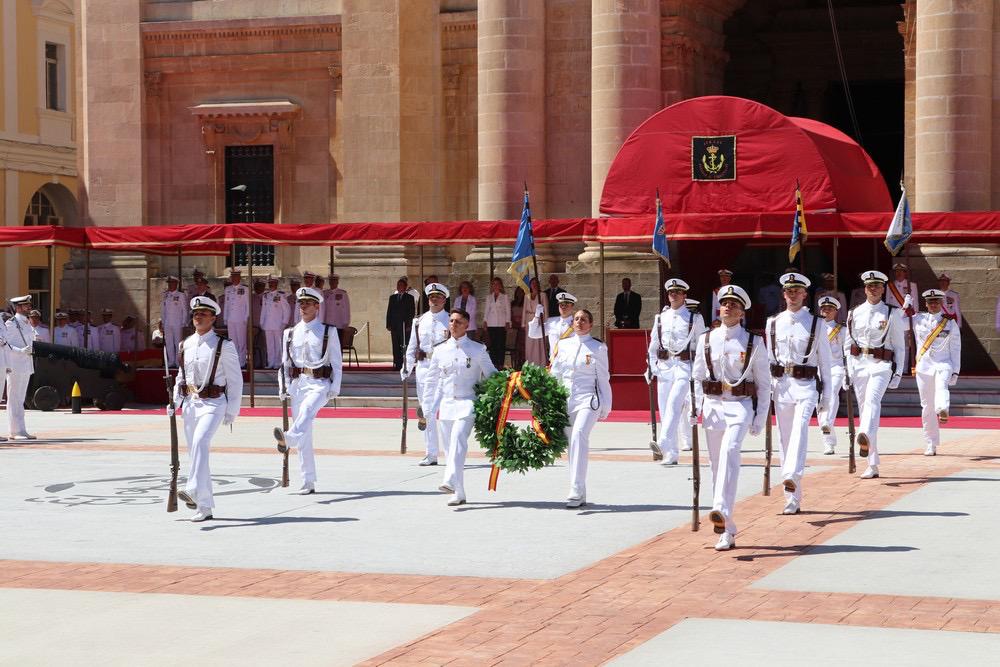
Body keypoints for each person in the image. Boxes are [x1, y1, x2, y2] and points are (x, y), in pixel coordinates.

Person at [692, 284, 770, 551]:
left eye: (734, 304)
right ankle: (727, 527)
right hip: (713, 406)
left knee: (730, 451)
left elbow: (764, 383)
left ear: (742, 312)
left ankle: (720, 508)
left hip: (739, 406)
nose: (727, 307)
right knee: (716, 465)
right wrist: (694, 407)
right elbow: (697, 377)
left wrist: (761, 417)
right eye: (724, 303)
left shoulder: (753, 342)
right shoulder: (706, 339)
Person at [171, 296, 242, 521]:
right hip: (191, 404)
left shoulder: (223, 345)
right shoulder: (186, 344)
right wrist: (175, 401)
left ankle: (192, 488)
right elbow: (181, 375)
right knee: (196, 452)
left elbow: (235, 379)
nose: (198, 317)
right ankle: (205, 506)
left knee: (201, 443)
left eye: (203, 313)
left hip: (214, 402)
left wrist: (232, 410)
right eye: (195, 314)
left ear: (213, 317)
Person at [765, 272, 832, 515]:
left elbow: (826, 362)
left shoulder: (817, 323)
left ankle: (791, 473)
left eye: (797, 291)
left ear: (805, 294)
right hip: (782, 385)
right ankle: (791, 498)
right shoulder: (772, 322)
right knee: (784, 438)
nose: (792, 294)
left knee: (800, 428)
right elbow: (770, 361)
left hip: (806, 385)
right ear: (784, 294)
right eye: (788, 291)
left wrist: (827, 398)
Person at [423, 307, 498, 506]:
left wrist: (507, 387)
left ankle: (448, 480)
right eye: (451, 321)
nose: (453, 325)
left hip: (468, 403)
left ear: (467, 325)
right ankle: (459, 492)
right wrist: (427, 406)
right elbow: (432, 380)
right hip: (446, 405)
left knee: (458, 440)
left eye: (458, 322)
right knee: (450, 451)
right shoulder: (439, 350)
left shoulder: (476, 349)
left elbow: (492, 374)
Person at [273, 287, 343, 495]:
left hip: (320, 382)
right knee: (305, 434)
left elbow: (337, 362)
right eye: (300, 303)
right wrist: (283, 386)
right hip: (298, 383)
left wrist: (335, 387)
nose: (303, 307)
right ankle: (307, 480)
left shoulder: (328, 331)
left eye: (307, 304)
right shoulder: (290, 333)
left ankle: (290, 438)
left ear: (317, 307)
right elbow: (285, 364)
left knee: (308, 410)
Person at [845, 270, 906, 480]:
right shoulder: (854, 312)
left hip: (882, 365)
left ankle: (863, 434)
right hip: (860, 365)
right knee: (866, 410)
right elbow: (848, 344)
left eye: (878, 286)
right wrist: (849, 370)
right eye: (870, 286)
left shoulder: (892, 313)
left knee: (872, 402)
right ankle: (872, 463)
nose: (874, 289)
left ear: (883, 289)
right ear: (865, 289)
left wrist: (898, 373)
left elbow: (900, 346)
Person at [549, 309, 612, 508]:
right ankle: (580, 491)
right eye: (576, 319)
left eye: (583, 320)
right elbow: (556, 374)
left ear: (590, 324)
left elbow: (603, 377)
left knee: (578, 435)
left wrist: (606, 405)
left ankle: (575, 488)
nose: (579, 322)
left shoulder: (598, 347)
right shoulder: (563, 344)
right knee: (571, 443)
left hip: (588, 399)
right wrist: (549, 400)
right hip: (567, 399)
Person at [647, 278, 706, 465]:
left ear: (684, 295)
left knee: (674, 403)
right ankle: (671, 454)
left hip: (684, 367)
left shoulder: (694, 318)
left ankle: (663, 442)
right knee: (665, 409)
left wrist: (699, 372)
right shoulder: (660, 318)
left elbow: (703, 346)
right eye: (671, 292)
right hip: (665, 367)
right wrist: (650, 366)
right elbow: (653, 345)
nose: (674, 295)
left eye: (678, 292)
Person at [403, 282, 452, 466]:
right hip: (423, 369)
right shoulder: (419, 321)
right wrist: (406, 366)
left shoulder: (450, 320)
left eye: (438, 297)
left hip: (442, 371)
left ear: (444, 299)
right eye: (431, 297)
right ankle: (430, 453)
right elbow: (412, 346)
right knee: (427, 412)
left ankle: (449, 451)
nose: (434, 299)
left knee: (438, 412)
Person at [913, 289, 961, 456]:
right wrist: (905, 306)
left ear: (941, 303)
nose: (933, 304)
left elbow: (956, 348)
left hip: (943, 363)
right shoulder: (917, 320)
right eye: (930, 302)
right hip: (924, 366)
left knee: (942, 387)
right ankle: (930, 442)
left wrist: (955, 371)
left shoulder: (949, 323)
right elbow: (900, 323)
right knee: (926, 406)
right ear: (925, 304)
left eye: (936, 301)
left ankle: (943, 409)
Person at [1, 295, 38, 440]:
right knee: (14, 397)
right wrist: (20, 351)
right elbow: (6, 344)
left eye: (28, 305)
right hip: (15, 363)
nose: (29, 307)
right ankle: (15, 430)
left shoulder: (27, 323)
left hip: (26, 364)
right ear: (18, 307)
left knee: (20, 398)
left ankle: (21, 429)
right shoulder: (11, 323)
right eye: (25, 305)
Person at [816, 296, 847, 455]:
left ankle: (827, 421)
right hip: (817, 369)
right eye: (824, 308)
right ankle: (828, 440)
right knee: (818, 400)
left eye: (830, 309)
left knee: (832, 392)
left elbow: (847, 352)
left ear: (836, 312)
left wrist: (849, 372)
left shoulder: (841, 329)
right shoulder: (814, 328)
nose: (826, 311)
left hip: (836, 367)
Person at [885, 262, 918, 374]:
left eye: (901, 271)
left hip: (906, 319)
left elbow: (915, 305)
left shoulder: (911, 285)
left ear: (905, 273)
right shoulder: (890, 286)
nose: (899, 273)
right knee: (892, 344)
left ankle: (903, 370)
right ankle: (894, 369)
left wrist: (914, 320)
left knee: (905, 345)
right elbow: (888, 303)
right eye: (897, 271)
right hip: (894, 318)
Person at [677, 298, 701, 453]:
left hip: (693, 364)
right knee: (682, 405)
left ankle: (692, 435)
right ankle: (685, 439)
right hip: (680, 365)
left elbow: (701, 342)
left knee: (693, 403)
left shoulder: (697, 320)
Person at [528, 291, 577, 361]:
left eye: (566, 304)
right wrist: (536, 316)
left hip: (570, 362)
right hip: (554, 362)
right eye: (561, 304)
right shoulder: (552, 322)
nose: (563, 307)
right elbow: (533, 334)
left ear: (572, 306)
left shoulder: (577, 324)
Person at [221, 269, 250, 367]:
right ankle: (234, 361)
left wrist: (246, 318)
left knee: (241, 341)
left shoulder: (245, 289)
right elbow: (227, 304)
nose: (234, 279)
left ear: (239, 278)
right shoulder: (228, 289)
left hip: (241, 318)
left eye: (236, 277)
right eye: (232, 277)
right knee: (232, 341)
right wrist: (225, 318)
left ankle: (242, 361)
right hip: (230, 318)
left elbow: (248, 305)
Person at [386, 278, 416, 371]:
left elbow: (411, 312)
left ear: (405, 287)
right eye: (398, 285)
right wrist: (388, 324)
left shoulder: (410, 298)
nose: (399, 287)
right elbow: (389, 311)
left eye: (401, 285)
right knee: (395, 345)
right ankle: (397, 364)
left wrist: (409, 325)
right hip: (394, 326)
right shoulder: (393, 297)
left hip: (404, 326)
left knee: (405, 345)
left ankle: (405, 364)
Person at [260, 276, 290, 369]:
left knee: (278, 344)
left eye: (273, 283)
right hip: (268, 324)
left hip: (278, 324)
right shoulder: (265, 295)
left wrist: (284, 322)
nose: (271, 285)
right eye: (270, 283)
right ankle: (271, 363)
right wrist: (261, 321)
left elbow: (287, 309)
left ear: (276, 284)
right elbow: (263, 310)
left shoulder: (281, 295)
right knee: (270, 345)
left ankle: (278, 363)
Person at [482, 277, 511, 368]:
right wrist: (485, 321)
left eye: (497, 283)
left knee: (501, 345)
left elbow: (508, 310)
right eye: (494, 284)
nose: (495, 285)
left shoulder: (505, 296)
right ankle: (493, 364)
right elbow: (486, 310)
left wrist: (508, 322)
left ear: (501, 285)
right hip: (491, 323)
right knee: (493, 345)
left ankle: (500, 365)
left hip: (501, 324)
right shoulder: (489, 297)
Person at [161, 276, 187, 366]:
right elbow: (163, 310)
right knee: (169, 342)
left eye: (172, 283)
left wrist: (184, 322)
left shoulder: (181, 295)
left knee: (178, 342)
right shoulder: (165, 295)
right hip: (168, 322)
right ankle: (171, 361)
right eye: (169, 283)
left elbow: (184, 309)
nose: (170, 285)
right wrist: (163, 322)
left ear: (176, 284)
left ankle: (177, 361)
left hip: (177, 322)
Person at [521, 278, 546, 366]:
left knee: (538, 343)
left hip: (539, 321)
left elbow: (545, 310)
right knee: (529, 343)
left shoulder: (542, 295)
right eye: (532, 283)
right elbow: (524, 309)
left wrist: (545, 323)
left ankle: (540, 363)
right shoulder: (526, 296)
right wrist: (523, 323)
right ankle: (529, 363)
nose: (534, 285)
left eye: (536, 283)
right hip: (528, 321)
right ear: (530, 285)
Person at [510, 286, 525, 369]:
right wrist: (514, 322)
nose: (520, 293)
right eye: (518, 291)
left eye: (521, 291)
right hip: (514, 327)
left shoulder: (526, 303)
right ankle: (516, 363)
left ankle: (523, 362)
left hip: (523, 326)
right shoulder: (513, 303)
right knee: (514, 345)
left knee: (522, 345)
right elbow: (510, 314)